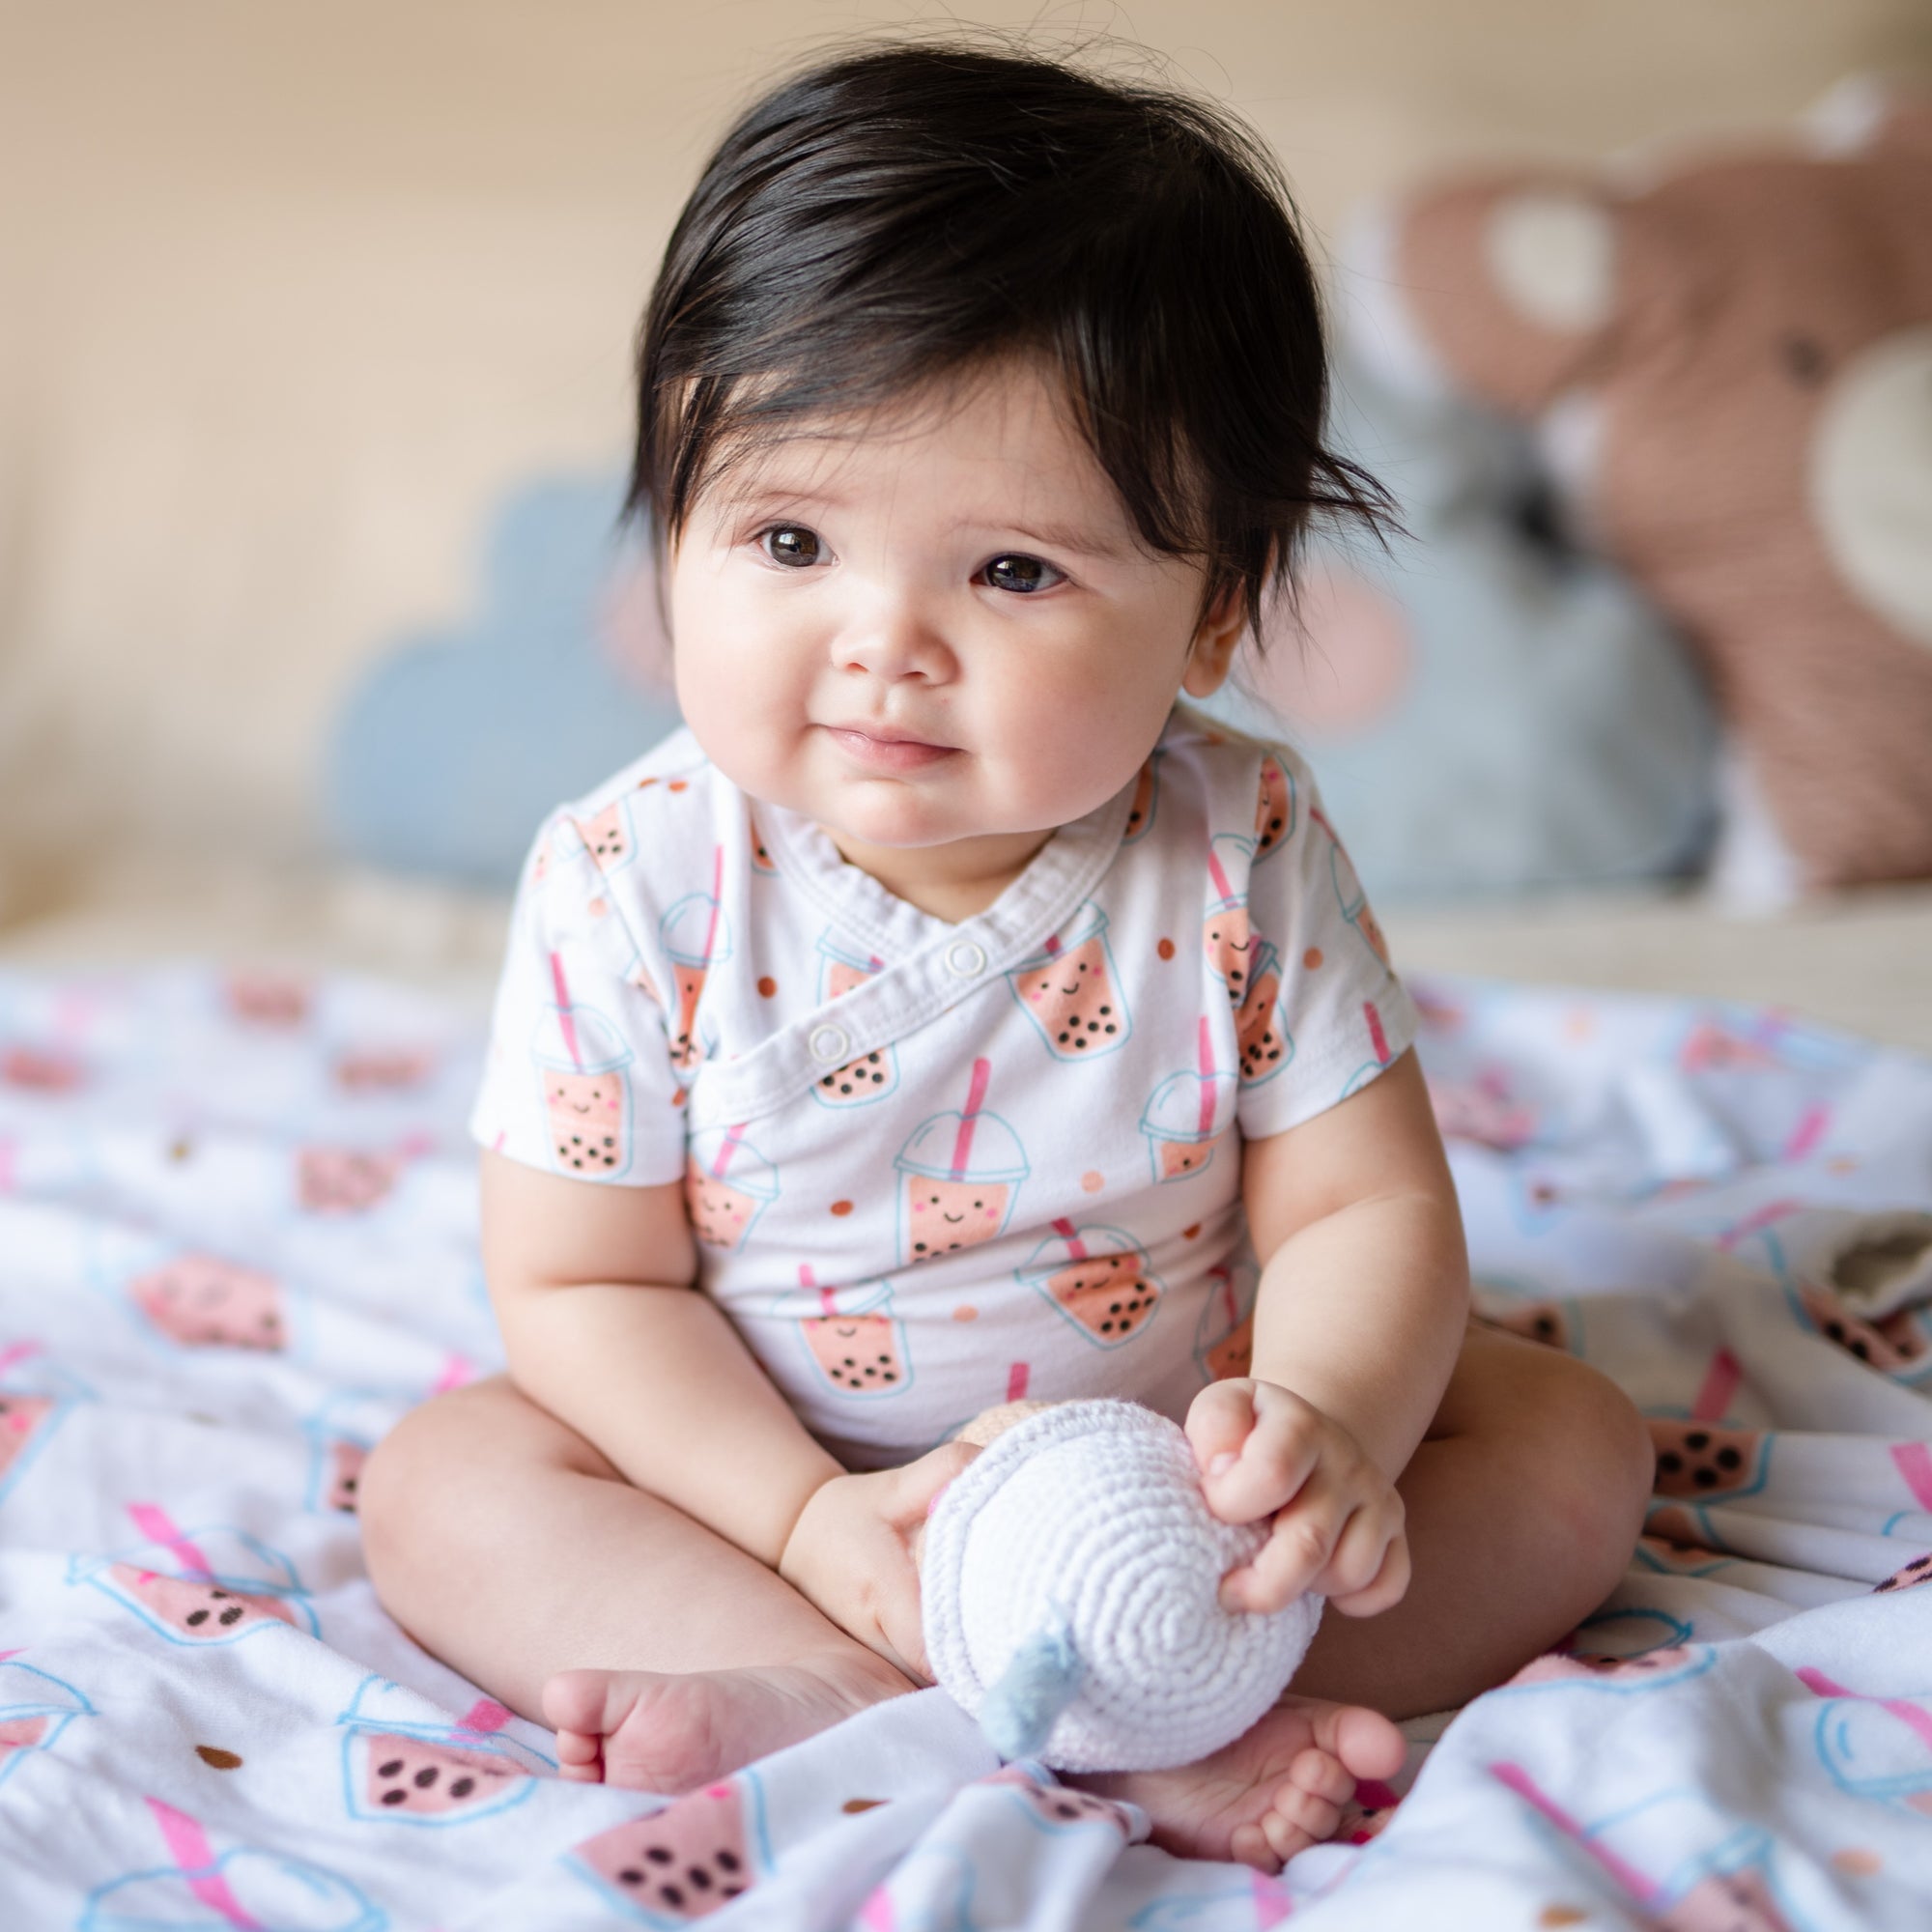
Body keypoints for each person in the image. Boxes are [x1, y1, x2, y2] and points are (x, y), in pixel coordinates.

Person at [360, 41, 1654, 1874]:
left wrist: (1324, 1427)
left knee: (1569, 1441)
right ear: (674, 524)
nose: (882, 643)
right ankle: (857, 1685)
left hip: (1177, 1481)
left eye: (1014, 574)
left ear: (1212, 609)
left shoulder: (1240, 845)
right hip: (792, 1479)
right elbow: (586, 1294)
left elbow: (1360, 1213)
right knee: (448, 1486)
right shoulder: (632, 878)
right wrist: (810, 1525)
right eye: (791, 539)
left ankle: (1185, 1677)